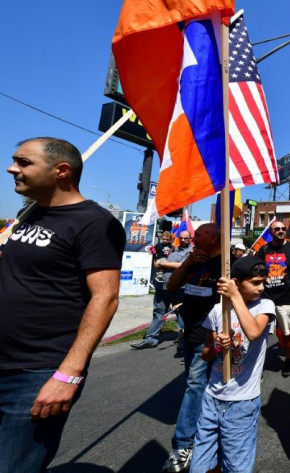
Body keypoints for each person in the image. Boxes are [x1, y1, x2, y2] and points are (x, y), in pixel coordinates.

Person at [0, 137, 126, 472]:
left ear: (62, 171)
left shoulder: (96, 222)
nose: (12, 168)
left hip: (35, 373)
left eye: (23, 162)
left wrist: (68, 375)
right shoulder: (29, 212)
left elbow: (106, 297)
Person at [189, 255, 276, 473]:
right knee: (201, 466)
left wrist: (234, 295)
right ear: (237, 282)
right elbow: (206, 354)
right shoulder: (219, 311)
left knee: (236, 466)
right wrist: (217, 345)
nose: (260, 287)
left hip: (242, 402)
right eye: (255, 282)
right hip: (212, 398)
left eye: (263, 282)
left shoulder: (265, 305)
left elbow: (254, 332)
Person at [162, 223, 222, 473]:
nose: (193, 237)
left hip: (207, 334)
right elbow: (172, 286)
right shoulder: (194, 259)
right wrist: (188, 263)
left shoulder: (225, 264)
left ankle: (183, 445)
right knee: (197, 385)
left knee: (195, 387)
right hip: (190, 331)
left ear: (214, 238)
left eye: (199, 234)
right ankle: (208, 434)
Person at [257, 219, 290, 377]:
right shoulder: (264, 250)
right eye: (277, 229)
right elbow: (257, 272)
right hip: (266, 300)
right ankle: (257, 367)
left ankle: (288, 358)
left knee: (286, 333)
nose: (281, 231)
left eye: (283, 228)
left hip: (287, 300)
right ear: (271, 232)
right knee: (259, 334)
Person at [132, 231, 192, 349]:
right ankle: (151, 339)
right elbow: (157, 262)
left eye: (186, 238)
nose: (183, 240)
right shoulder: (172, 249)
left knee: (182, 314)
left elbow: (183, 265)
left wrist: (164, 263)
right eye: (181, 238)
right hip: (161, 286)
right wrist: (163, 263)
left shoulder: (191, 251)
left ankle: (184, 339)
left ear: (190, 239)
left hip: (178, 288)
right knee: (158, 313)